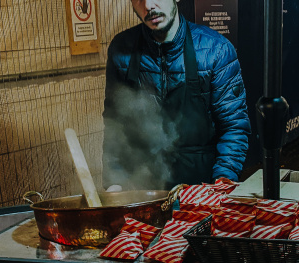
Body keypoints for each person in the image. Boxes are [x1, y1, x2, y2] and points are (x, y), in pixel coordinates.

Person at [102, 0, 250, 190]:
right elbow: (115, 126)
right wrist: (114, 182)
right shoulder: (121, 50)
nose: (148, 6)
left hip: (201, 191)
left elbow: (234, 127)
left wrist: (221, 183)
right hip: (141, 190)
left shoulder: (216, 50)